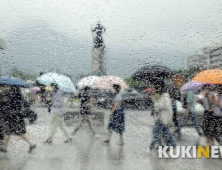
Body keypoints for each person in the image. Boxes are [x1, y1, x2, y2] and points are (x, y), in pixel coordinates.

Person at [0, 86, 36, 153]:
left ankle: (31, 144)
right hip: (17, 118)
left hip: (11, 118)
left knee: (11, 133)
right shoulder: (19, 95)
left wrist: (4, 100)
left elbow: (8, 106)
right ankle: (4, 148)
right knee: (10, 133)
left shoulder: (11, 95)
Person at [148, 84, 175, 152]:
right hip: (163, 118)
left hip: (163, 118)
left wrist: (154, 100)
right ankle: (171, 145)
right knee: (166, 132)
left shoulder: (164, 96)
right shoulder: (163, 96)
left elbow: (161, 106)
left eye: (155, 89)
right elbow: (158, 108)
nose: (155, 91)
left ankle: (151, 147)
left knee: (155, 132)